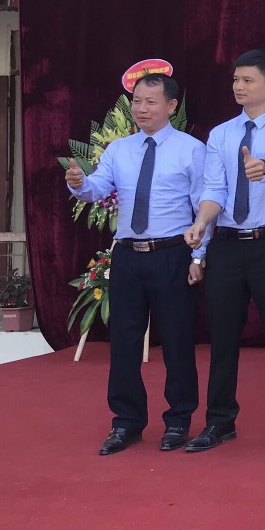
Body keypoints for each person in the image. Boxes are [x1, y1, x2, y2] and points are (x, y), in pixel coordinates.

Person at [65, 73, 207, 456]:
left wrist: (199, 255)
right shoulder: (119, 150)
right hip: (128, 254)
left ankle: (178, 420)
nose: (141, 109)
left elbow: (204, 207)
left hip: (172, 253)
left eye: (151, 102)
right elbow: (97, 189)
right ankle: (126, 421)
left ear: (171, 106)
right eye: (137, 102)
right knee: (124, 341)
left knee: (177, 340)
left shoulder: (192, 150)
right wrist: (79, 183)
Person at [183, 50, 265, 452]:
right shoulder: (221, 134)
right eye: (236, 79)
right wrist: (201, 224)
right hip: (228, 246)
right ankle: (219, 421)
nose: (238, 86)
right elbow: (214, 189)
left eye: (248, 80)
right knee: (222, 337)